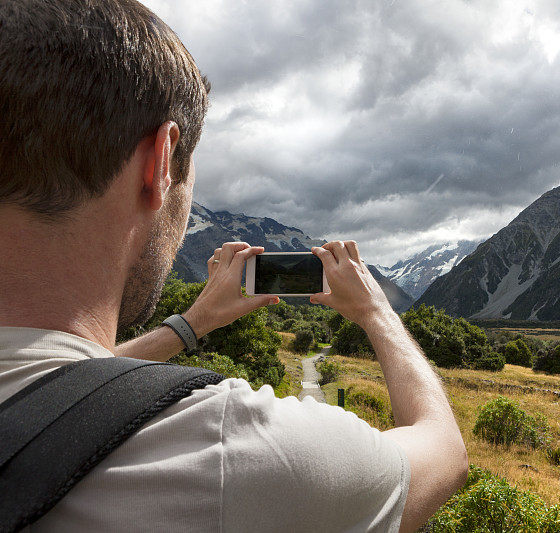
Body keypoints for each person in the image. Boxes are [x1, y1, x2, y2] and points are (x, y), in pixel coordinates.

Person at [0, 1, 468, 531]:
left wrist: (193, 323)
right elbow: (442, 453)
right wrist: (377, 311)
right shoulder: (227, 447)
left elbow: (55, 376)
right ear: (161, 161)